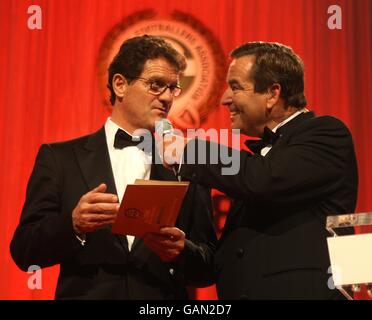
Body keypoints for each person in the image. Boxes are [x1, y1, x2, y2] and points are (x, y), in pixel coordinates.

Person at [10, 35, 216, 299]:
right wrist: (73, 225)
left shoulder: (188, 163)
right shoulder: (60, 158)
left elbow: (209, 266)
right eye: (156, 85)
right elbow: (25, 252)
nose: (166, 97)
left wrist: (181, 250)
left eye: (172, 88)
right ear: (120, 84)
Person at [162, 41, 358, 299]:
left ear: (272, 93)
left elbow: (264, 179)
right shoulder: (257, 161)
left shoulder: (327, 133)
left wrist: (191, 150)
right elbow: (229, 259)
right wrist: (181, 249)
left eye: (235, 87)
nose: (225, 99)